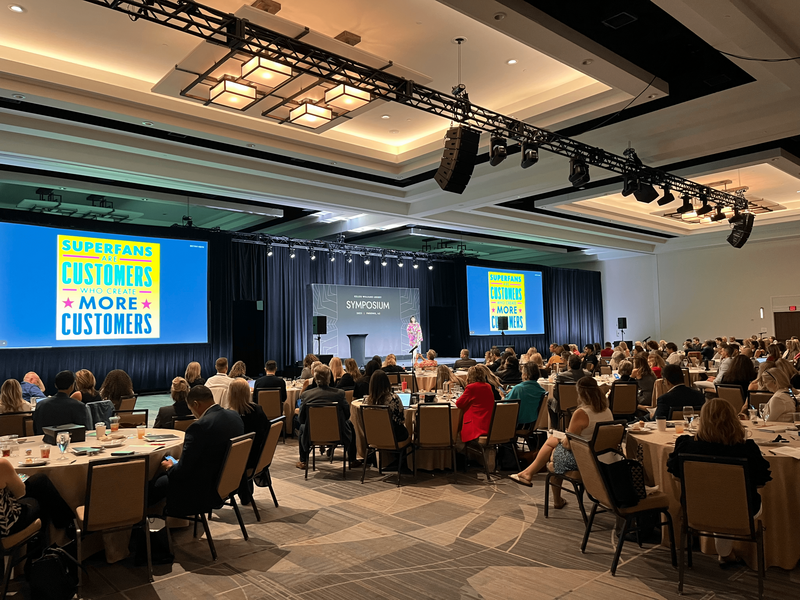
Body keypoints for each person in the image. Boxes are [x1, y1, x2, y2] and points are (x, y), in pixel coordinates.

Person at [666, 399, 771, 565]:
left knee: (715, 499)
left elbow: (676, 477)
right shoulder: (746, 449)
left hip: (696, 509)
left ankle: (725, 553)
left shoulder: (686, 446)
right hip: (741, 511)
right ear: (734, 419)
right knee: (729, 500)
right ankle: (727, 553)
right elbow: (760, 483)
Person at [511, 377, 613, 504]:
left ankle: (532, 476)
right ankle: (528, 473)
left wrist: (565, 436)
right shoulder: (607, 410)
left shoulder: (582, 413)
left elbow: (568, 445)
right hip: (600, 456)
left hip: (584, 458)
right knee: (553, 442)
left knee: (553, 455)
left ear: (581, 393)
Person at [148, 385, 244, 515]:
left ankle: (143, 526)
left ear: (195, 404)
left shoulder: (199, 427)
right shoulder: (235, 416)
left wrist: (170, 467)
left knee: (154, 484)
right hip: (227, 481)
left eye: (191, 408)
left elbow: (182, 471)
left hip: (203, 488)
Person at [296, 365, 360, 470]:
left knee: (303, 427)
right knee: (350, 425)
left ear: (315, 379)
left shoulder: (306, 395)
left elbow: (301, 419)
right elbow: (347, 415)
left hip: (313, 434)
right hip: (337, 433)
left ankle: (303, 461)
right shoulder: (339, 394)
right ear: (329, 378)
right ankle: (352, 459)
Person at [0, 460, 74, 548]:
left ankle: (65, 526)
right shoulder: (2, 464)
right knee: (37, 498)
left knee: (39, 481)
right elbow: (20, 493)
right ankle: (68, 528)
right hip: (6, 528)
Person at [227, 379, 269, 504]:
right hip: (258, 458)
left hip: (239, 462)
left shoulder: (229, 416)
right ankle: (246, 493)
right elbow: (266, 432)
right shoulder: (258, 410)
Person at [455, 367, 496, 448]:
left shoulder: (471, 387)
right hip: (488, 423)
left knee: (456, 434)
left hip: (476, 425)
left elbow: (459, 404)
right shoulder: (488, 386)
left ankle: (461, 457)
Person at [366, 370, 408, 442]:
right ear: (387, 383)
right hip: (394, 437)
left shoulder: (366, 401)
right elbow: (401, 420)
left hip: (374, 436)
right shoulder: (394, 399)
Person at [504, 363, 546, 427]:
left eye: (522, 373)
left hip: (517, 423)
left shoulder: (518, 389)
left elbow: (505, 405)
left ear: (526, 375)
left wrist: (503, 396)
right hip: (532, 423)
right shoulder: (541, 390)